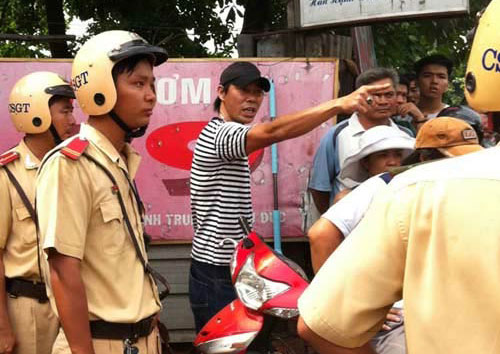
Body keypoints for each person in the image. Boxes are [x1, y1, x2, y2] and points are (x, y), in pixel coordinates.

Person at [297, 0, 500, 352]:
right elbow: (321, 213)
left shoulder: (414, 190)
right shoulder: (349, 146)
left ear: (486, 121)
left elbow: (322, 327)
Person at [189, 61, 391, 333]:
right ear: (222, 92)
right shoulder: (220, 134)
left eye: (257, 93)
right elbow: (274, 131)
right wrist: (337, 105)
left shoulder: (226, 134)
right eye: (243, 91)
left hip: (231, 266)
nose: (252, 99)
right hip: (216, 271)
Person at [36, 31, 168, 354]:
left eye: (152, 84)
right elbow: (63, 272)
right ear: (100, 90)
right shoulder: (70, 164)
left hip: (140, 340)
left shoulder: (119, 160)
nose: (151, 95)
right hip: (99, 343)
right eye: (138, 84)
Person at [0, 72, 76, 354]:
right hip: (27, 309)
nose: (72, 120)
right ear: (36, 114)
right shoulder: (7, 175)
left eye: (72, 111)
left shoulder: (74, 168)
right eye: (64, 111)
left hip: (73, 303)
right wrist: (2, 327)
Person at [308, 67, 413, 215]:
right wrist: (335, 220)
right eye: (375, 95)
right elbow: (320, 187)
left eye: (389, 95)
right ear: (359, 97)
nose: (382, 101)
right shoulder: (338, 135)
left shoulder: (405, 136)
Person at [415, 54, 453, 119]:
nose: (434, 81)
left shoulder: (453, 116)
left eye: (441, 77)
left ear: (448, 84)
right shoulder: (403, 114)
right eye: (427, 75)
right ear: (417, 81)